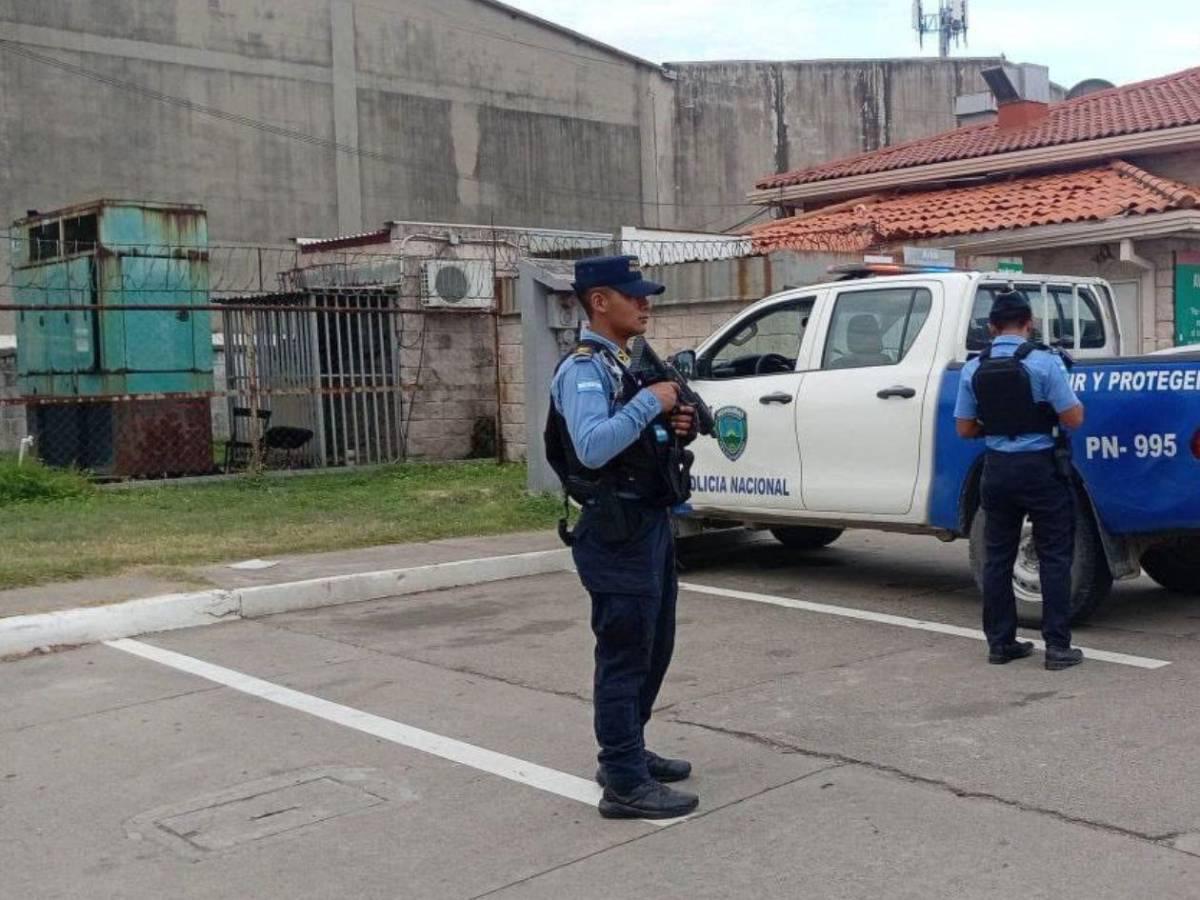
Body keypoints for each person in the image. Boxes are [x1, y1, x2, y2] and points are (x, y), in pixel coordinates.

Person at [545, 255, 700, 819]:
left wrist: (670, 423)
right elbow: (591, 445)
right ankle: (624, 783)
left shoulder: (623, 362)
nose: (646, 304)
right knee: (625, 655)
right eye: (634, 296)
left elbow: (634, 438)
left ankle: (626, 754)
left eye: (646, 296)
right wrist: (649, 403)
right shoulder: (585, 369)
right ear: (599, 302)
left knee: (655, 647)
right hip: (615, 531)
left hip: (647, 522)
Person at [954, 290, 1086, 671]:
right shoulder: (1045, 363)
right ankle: (1058, 649)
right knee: (1055, 556)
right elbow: (1074, 418)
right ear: (1029, 325)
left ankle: (1001, 644)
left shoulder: (972, 368)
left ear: (992, 328)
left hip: (996, 469)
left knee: (997, 558)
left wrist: (996, 428)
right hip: (1041, 468)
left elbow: (964, 429)